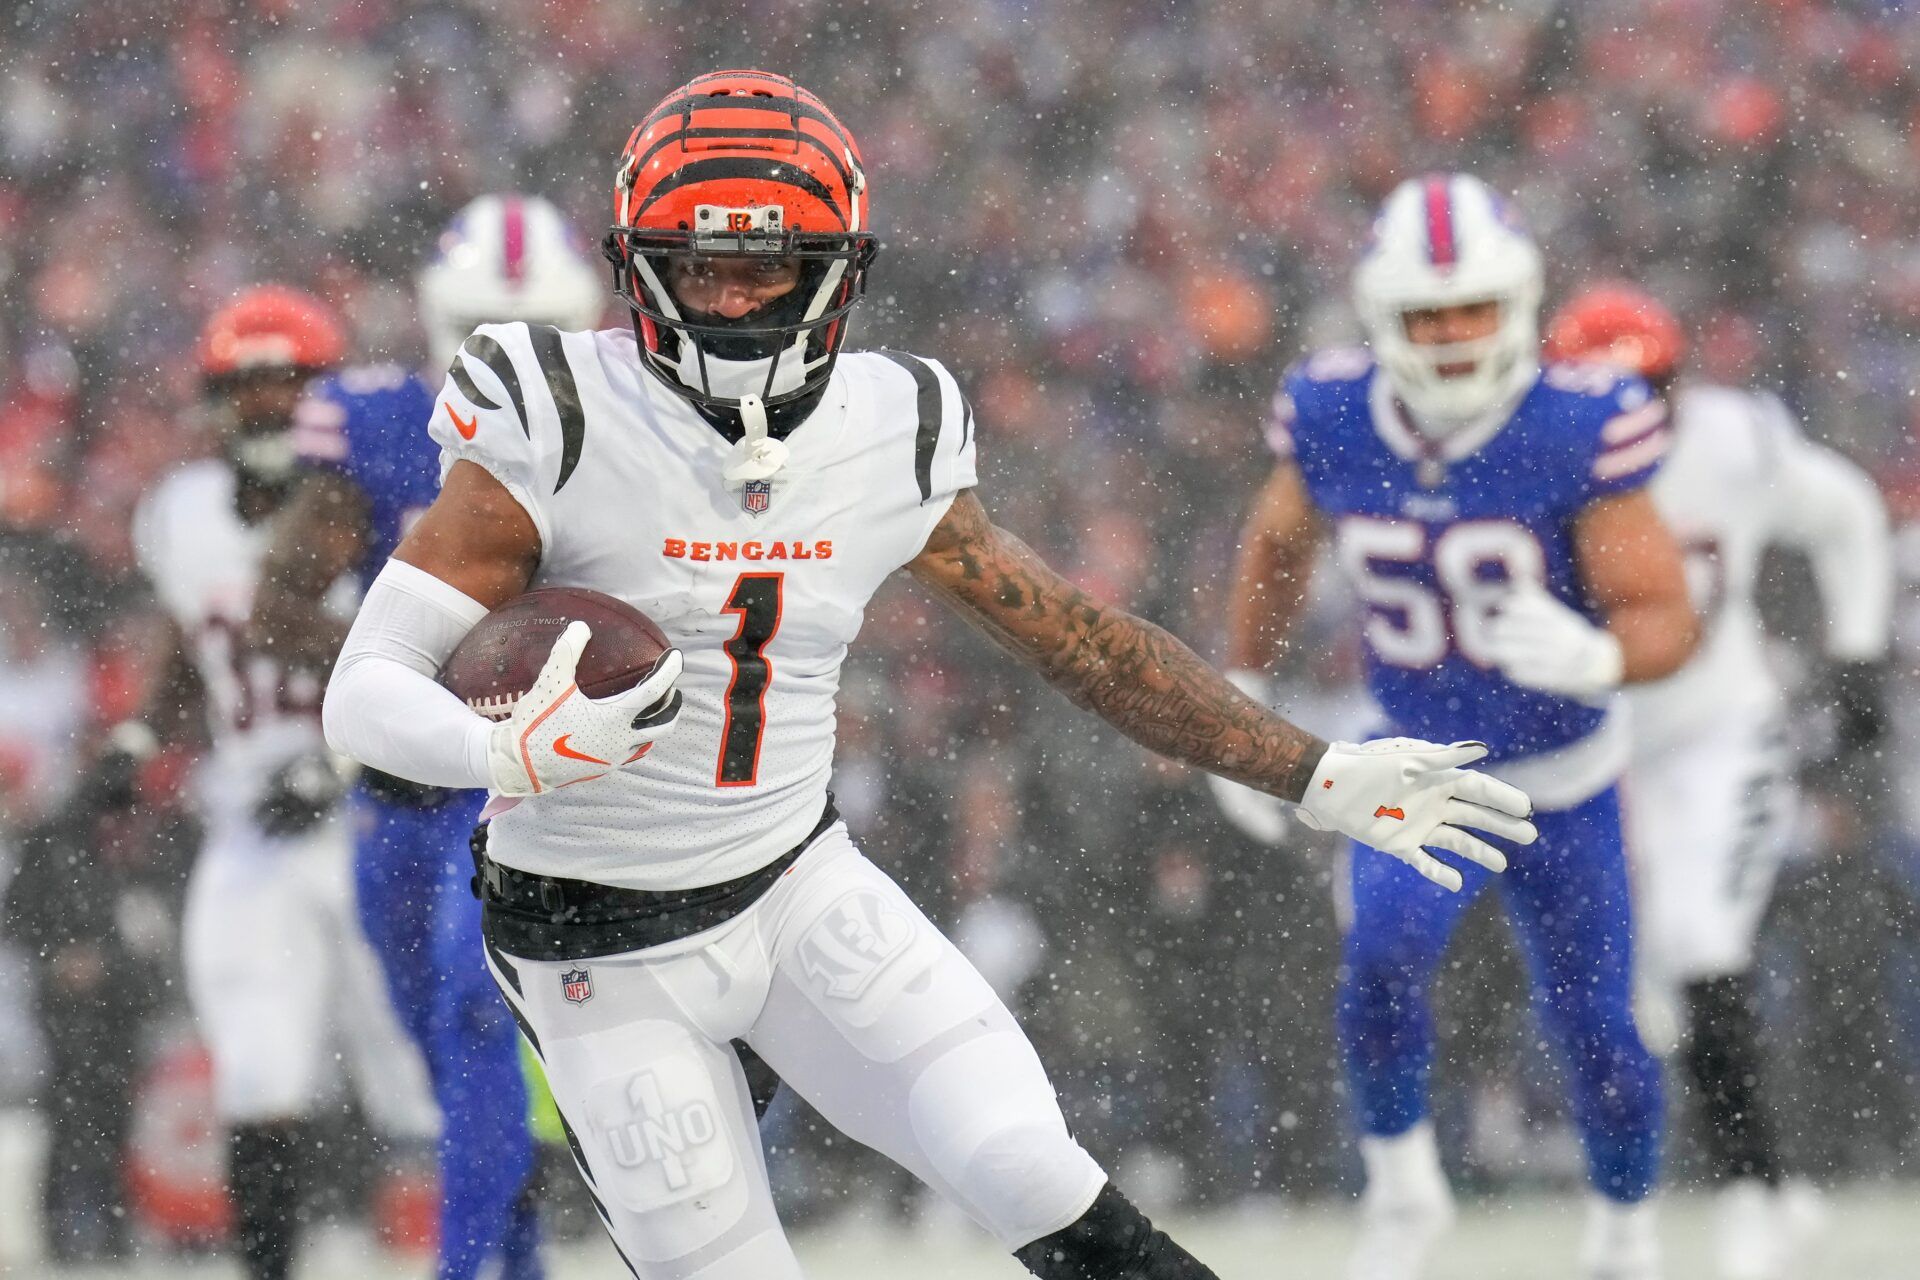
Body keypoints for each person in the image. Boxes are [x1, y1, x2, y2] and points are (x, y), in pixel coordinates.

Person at [320, 72, 1536, 1280]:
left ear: (835, 269)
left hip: (795, 886)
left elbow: (1084, 643)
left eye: (766, 267)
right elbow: (365, 686)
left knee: (1039, 1175)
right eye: (699, 266)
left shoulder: (890, 422)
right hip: (592, 936)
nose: (732, 298)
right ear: (640, 267)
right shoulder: (560, 413)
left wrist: (1315, 773)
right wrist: (502, 753)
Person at [1216, 175, 1697, 1280]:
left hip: (1568, 772)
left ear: (1520, 302)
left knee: (1596, 1027)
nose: (1454, 337)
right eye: (1429, 316)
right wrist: (1243, 690)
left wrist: (1602, 655)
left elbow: (1667, 612)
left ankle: (1625, 1229)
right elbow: (1277, 547)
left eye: (1474, 310)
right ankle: (1402, 1192)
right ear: (1382, 315)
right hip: (1419, 761)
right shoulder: (1332, 411)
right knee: (1380, 960)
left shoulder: (1582, 421)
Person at [250, 193, 605, 1280]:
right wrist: (416, 660)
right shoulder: (373, 422)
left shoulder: (619, 433)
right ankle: (519, 1258)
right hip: (398, 789)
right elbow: (278, 603)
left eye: (538, 327)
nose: (514, 351)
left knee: (474, 1010)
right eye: (493, 327)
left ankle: (462, 1267)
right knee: (443, 1050)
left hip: (516, 785)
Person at [1545, 283, 1893, 1280]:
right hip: (1595, 743)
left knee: (1701, 945)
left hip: (1717, 731)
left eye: (1649, 389)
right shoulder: (1528, 461)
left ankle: (1750, 1192)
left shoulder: (1733, 442)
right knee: (1622, 976)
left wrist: (1859, 651)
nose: (1633, 414)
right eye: (1606, 393)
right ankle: (1759, 1184)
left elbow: (1847, 514)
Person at [132, 287, 437, 1280]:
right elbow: (192, 637)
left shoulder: (376, 497)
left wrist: (339, 760)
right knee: (259, 1070)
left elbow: (425, 659)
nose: (267, 406)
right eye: (248, 387)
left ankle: (467, 1255)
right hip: (253, 821)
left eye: (287, 385)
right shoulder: (180, 514)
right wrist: (136, 738)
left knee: (418, 1066)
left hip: (381, 810)